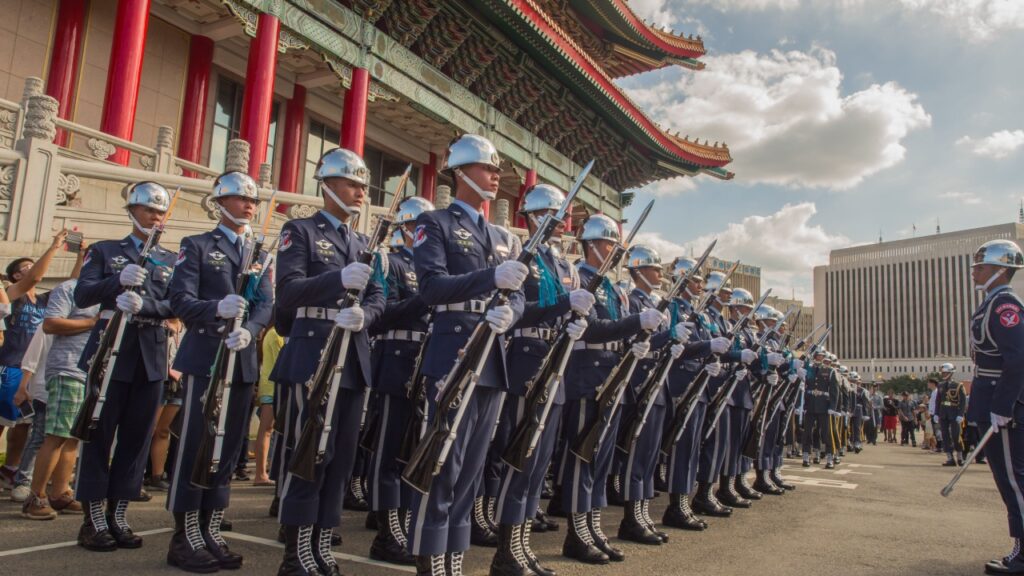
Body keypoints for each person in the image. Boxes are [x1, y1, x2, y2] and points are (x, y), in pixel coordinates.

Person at [406, 134, 526, 576]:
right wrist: (489, 278)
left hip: (492, 355)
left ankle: (454, 562)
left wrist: (510, 314)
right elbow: (431, 287)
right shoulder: (434, 223)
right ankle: (430, 560)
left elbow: (520, 298)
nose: (495, 175)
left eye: (496, 169)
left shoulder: (502, 235)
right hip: (453, 350)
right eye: (486, 167)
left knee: (472, 469)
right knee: (442, 464)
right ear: (460, 172)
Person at [274, 148, 384, 576]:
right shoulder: (299, 230)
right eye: (351, 183)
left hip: (352, 352)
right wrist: (337, 279)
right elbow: (288, 291)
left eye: (362, 185)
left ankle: (321, 544)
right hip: (314, 351)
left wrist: (366, 315)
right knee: (309, 453)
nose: (360, 192)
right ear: (328, 185)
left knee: (339, 456)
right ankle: (296, 550)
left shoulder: (362, 242)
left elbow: (378, 296)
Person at [166, 171, 273, 572]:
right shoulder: (196, 245)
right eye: (239, 199)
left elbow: (267, 302)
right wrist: (215, 309)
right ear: (219, 202)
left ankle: (211, 528)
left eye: (253, 201)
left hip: (241, 356)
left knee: (227, 450)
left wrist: (251, 328)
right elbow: (179, 299)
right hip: (206, 354)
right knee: (196, 443)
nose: (248, 206)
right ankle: (185, 534)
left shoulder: (259, 253)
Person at [487, 183, 593, 576]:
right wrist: (564, 305)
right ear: (534, 217)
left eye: (566, 215)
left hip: (556, 363)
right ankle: (505, 550)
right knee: (519, 457)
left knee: (539, 462)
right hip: (526, 362)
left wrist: (576, 320)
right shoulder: (524, 257)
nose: (565, 223)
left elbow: (567, 311)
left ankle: (521, 543)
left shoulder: (563, 265)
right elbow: (519, 312)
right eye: (556, 214)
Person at [73, 183, 175, 552]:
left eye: (161, 213)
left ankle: (118, 512)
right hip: (111, 352)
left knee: (136, 439)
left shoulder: (170, 259)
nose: (155, 217)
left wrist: (146, 306)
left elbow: (177, 305)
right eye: (149, 210)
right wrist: (118, 281)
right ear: (131, 211)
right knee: (98, 436)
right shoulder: (105, 251)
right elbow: (82, 294)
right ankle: (94, 517)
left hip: (150, 354)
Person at [559, 214, 664, 566]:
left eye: (616, 246)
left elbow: (620, 329)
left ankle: (592, 526)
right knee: (583, 458)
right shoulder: (581, 278)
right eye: (608, 244)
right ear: (590, 245)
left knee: (602, 461)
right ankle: (576, 533)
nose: (614, 251)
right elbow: (589, 328)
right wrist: (635, 323)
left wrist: (639, 341)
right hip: (587, 376)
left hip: (612, 375)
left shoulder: (614, 288)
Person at [365, 195, 433, 567]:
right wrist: (425, 299)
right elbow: (381, 315)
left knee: (413, 451)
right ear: (407, 228)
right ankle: (387, 531)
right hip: (395, 360)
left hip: (427, 361)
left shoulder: (432, 265)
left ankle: (405, 522)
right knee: (389, 451)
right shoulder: (390, 262)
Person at [962, 239, 1024, 575]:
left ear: (1000, 270)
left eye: (980, 267)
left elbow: (1017, 358)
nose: (975, 272)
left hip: (1004, 404)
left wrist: (1003, 406)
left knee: (1014, 480)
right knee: (1008, 479)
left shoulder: (1004, 306)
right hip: (994, 399)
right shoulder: (992, 303)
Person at [617, 245, 684, 545]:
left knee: (649, 454)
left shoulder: (655, 303)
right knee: (636, 454)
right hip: (641, 382)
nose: (659, 274)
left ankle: (643, 514)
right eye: (655, 269)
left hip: (659, 383)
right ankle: (632, 518)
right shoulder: (633, 301)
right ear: (639, 271)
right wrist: (667, 337)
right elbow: (634, 339)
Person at [22, 277, 98, 519]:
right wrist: (93, 323)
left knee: (74, 437)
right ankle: (35, 497)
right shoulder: (70, 288)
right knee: (57, 435)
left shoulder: (110, 290)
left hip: (93, 372)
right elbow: (51, 324)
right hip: (69, 368)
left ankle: (60, 493)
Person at [661, 257, 729, 531]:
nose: (701, 285)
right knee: (681, 447)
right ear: (683, 280)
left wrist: (710, 358)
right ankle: (676, 506)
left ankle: (685, 503)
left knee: (691, 448)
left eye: (702, 281)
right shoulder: (675, 308)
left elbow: (700, 346)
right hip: (682, 383)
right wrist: (706, 347)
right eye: (696, 280)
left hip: (699, 383)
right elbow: (678, 346)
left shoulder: (695, 311)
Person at [0, 229, 67, 487]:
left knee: (24, 425)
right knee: (3, 422)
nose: (31, 270)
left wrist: (82, 256)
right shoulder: (11, 293)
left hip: (31, 369)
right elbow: (36, 275)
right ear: (16, 275)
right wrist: (54, 247)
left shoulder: (41, 301)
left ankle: (10, 468)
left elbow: (71, 286)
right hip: (9, 366)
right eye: (25, 267)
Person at [147, 318, 184, 492]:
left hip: (177, 382)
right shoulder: (159, 323)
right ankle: (137, 475)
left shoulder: (185, 326)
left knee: (163, 430)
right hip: (158, 379)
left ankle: (157, 475)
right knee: (148, 429)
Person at [254, 324, 282, 487]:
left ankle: (263, 471)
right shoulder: (276, 334)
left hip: (268, 386)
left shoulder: (270, 333)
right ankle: (261, 473)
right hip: (272, 388)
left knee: (267, 431)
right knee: (266, 430)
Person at [937, 362, 967, 466]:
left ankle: (960, 457)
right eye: (942, 373)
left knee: (956, 435)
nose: (943, 374)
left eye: (945, 373)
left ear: (950, 373)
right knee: (945, 436)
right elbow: (938, 400)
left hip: (954, 412)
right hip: (943, 413)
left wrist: (960, 414)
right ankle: (950, 458)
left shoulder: (958, 385)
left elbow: (963, 401)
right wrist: (936, 413)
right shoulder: (940, 385)